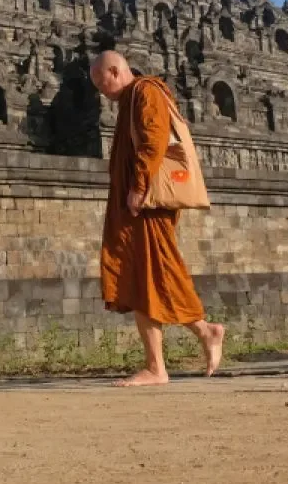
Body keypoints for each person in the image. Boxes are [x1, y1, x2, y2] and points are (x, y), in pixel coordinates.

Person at [88, 51, 225, 387]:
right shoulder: (130, 100)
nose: (101, 92)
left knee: (159, 270)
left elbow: (153, 140)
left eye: (100, 82)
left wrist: (137, 187)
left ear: (115, 70)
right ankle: (159, 363)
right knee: (140, 277)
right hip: (133, 204)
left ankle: (201, 333)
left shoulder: (146, 92)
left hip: (144, 203)